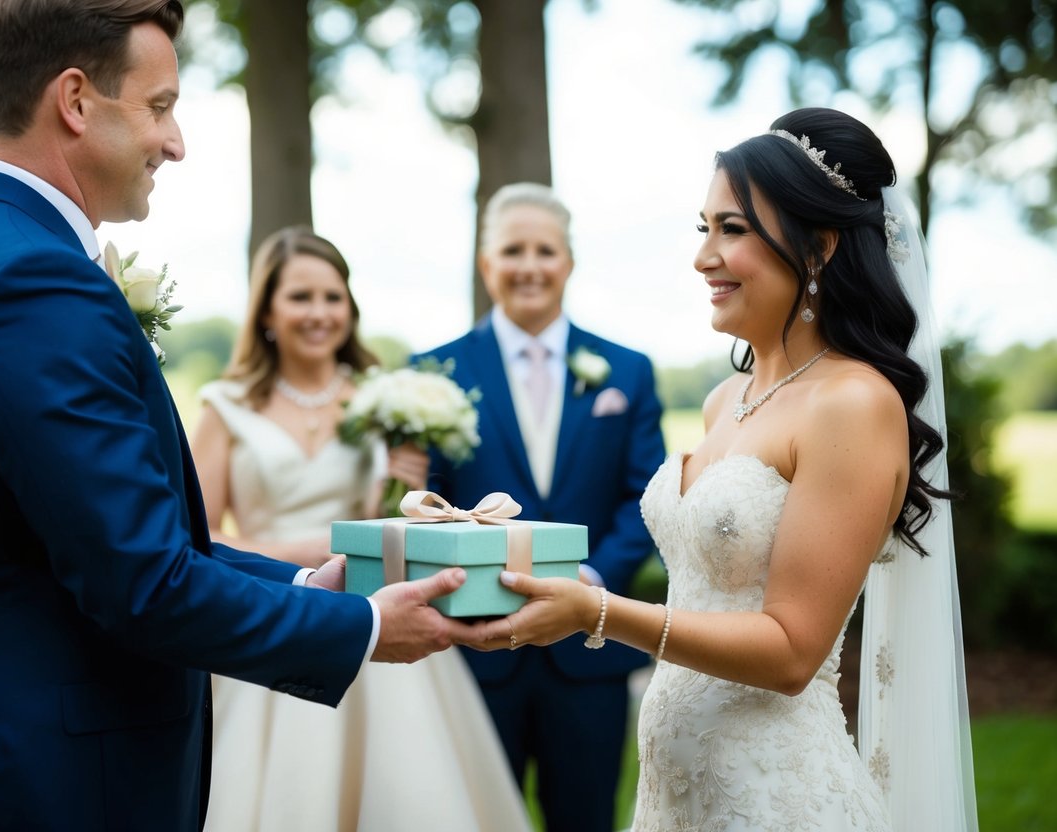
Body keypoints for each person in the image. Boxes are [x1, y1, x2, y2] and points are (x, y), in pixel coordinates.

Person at [0, 3, 481, 829]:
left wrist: (306, 584)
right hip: (40, 786)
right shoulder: (33, 285)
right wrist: (363, 625)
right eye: (159, 107)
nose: (175, 141)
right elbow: (143, 585)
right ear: (76, 101)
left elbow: (108, 544)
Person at [472, 108, 978, 830]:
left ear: (817, 247)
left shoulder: (852, 403)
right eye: (702, 227)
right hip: (678, 801)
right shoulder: (723, 400)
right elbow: (702, 588)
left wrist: (597, 613)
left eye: (731, 230)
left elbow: (790, 650)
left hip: (779, 801)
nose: (702, 255)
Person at [190, 226, 531, 831]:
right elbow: (199, 534)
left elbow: (400, 525)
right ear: (267, 307)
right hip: (280, 611)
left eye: (332, 297)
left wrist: (403, 489)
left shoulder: (386, 401)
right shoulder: (226, 406)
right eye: (300, 297)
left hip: (384, 616)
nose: (319, 313)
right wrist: (308, 552)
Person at [416, 183, 668, 832]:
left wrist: (585, 581)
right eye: (512, 250)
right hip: (473, 648)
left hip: (588, 655)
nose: (529, 265)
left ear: (569, 262)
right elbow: (422, 508)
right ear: (484, 264)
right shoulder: (433, 372)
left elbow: (643, 497)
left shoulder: (626, 372)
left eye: (544, 250)